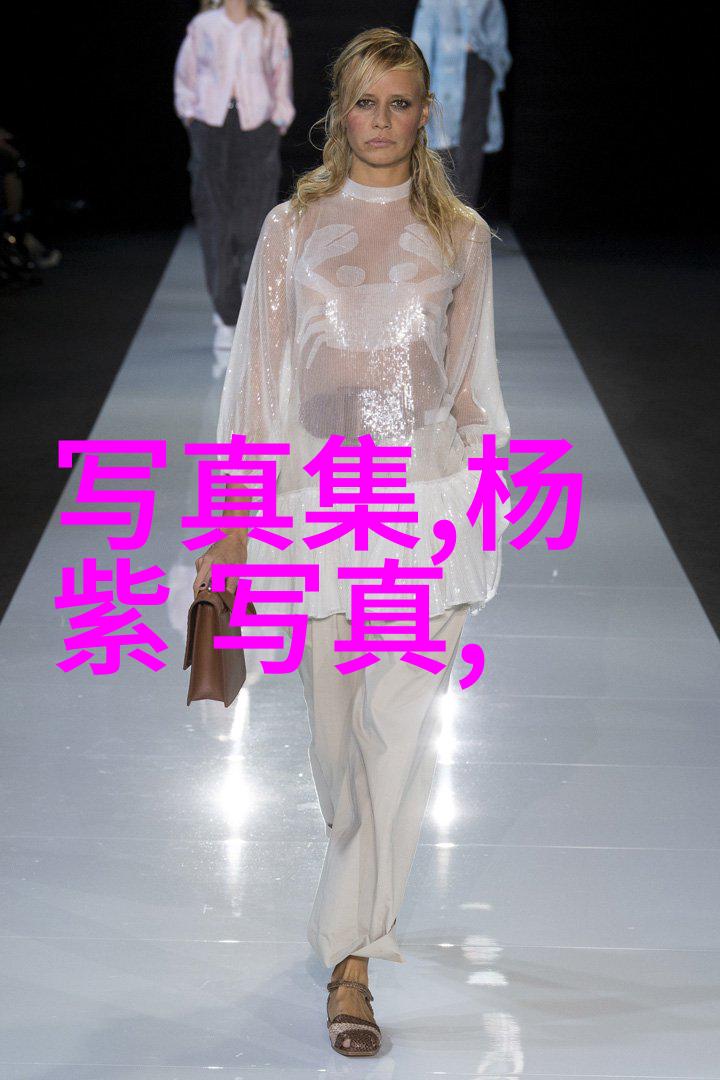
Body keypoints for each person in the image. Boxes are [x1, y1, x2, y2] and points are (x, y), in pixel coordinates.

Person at [192, 25, 511, 1056]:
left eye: (401, 102)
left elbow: (473, 388)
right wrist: (230, 525)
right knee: (337, 750)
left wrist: (483, 508)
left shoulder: (461, 234)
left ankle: (351, 965)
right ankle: (354, 901)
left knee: (395, 742)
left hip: (423, 509)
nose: (382, 121)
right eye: (365, 102)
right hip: (317, 509)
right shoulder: (292, 226)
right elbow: (257, 386)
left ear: (425, 113)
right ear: (340, 111)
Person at [173, 0, 295, 350]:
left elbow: (281, 72)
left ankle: (247, 301)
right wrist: (190, 115)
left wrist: (280, 117)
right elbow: (186, 75)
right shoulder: (204, 26)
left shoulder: (270, 24)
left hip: (257, 125)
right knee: (214, 217)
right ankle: (226, 315)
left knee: (254, 216)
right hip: (212, 125)